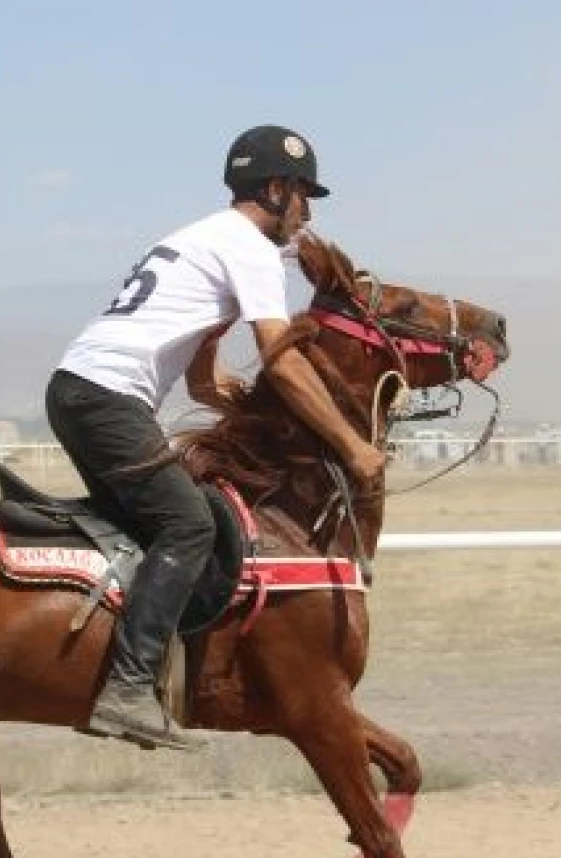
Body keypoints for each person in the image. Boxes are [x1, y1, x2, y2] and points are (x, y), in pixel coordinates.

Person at [45, 124, 386, 751]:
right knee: (190, 526)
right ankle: (125, 688)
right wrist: (353, 444)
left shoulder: (197, 238)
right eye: (305, 195)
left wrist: (245, 401)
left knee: (156, 524)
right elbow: (282, 359)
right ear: (277, 189)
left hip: (79, 392)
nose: (308, 212)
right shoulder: (251, 249)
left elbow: (203, 382)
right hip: (105, 399)